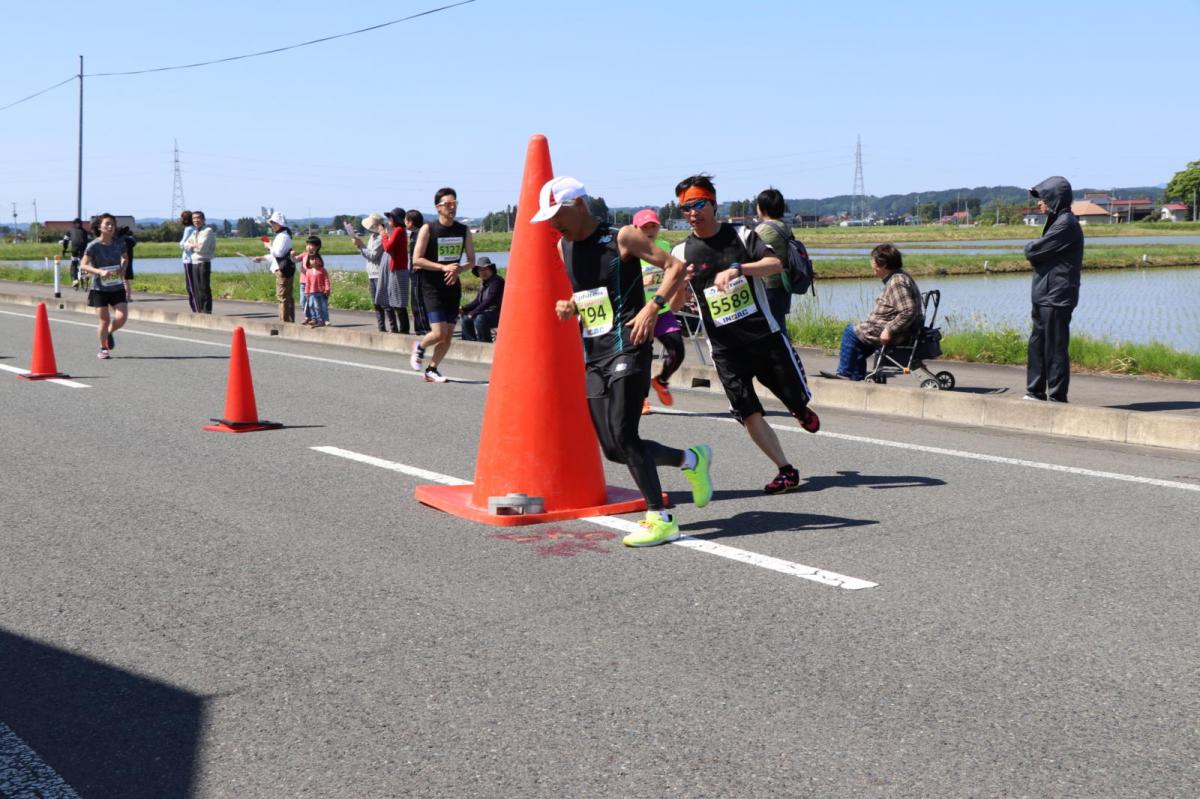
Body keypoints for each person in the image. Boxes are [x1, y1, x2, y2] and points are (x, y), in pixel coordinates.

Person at [533, 175, 713, 548]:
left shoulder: (623, 237)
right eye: (548, 216)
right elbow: (587, 295)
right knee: (614, 449)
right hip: (595, 352)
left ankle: (659, 517)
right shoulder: (563, 245)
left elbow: (674, 268)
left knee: (626, 433)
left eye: (557, 212)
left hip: (629, 345)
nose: (554, 222)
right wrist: (571, 306)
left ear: (579, 204)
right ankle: (691, 460)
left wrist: (653, 306)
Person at [672, 174, 820, 495]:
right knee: (747, 411)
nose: (692, 213)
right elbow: (675, 303)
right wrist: (678, 287)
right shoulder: (681, 252)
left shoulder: (741, 235)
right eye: (685, 208)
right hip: (724, 349)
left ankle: (799, 409)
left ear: (713, 203)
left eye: (698, 205)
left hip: (763, 337)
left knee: (794, 397)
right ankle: (785, 469)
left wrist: (739, 268)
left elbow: (774, 264)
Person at [818, 244, 921, 382]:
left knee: (851, 332)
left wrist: (889, 330)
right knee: (859, 338)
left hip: (896, 332)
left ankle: (846, 373)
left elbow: (908, 310)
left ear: (883, 264)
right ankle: (856, 377)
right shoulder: (899, 276)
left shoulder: (897, 281)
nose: (871, 264)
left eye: (873, 261)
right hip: (894, 329)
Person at [1024, 176, 1083, 403]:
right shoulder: (1056, 221)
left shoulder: (1066, 224)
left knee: (1055, 348)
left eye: (1043, 198)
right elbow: (1039, 253)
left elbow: (1033, 252)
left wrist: (1030, 247)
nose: (1039, 203)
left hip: (1057, 296)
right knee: (1037, 345)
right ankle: (1035, 392)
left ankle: (1057, 396)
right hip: (1044, 294)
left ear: (1054, 198)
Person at [410, 187, 475, 382]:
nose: (452, 207)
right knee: (438, 333)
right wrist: (442, 267)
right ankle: (420, 347)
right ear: (438, 207)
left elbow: (471, 260)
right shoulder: (428, 229)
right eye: (448, 204)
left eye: (454, 204)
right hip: (431, 287)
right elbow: (416, 260)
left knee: (447, 337)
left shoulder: (463, 230)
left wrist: (458, 269)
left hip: (452, 287)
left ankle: (431, 369)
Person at [632, 208, 686, 415]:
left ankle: (661, 381)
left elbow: (672, 274)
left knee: (677, 350)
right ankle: (642, 399)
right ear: (635, 229)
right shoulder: (628, 250)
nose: (650, 230)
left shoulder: (664, 247)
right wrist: (639, 281)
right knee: (643, 358)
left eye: (653, 225)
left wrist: (680, 281)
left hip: (661, 311)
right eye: (645, 226)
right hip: (638, 313)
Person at [79, 213, 129, 360]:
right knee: (104, 320)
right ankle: (103, 348)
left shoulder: (119, 243)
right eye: (107, 224)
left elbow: (125, 257)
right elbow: (83, 265)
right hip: (99, 289)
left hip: (117, 286)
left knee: (122, 317)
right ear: (99, 227)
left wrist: (123, 268)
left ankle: (109, 332)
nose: (110, 226)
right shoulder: (93, 245)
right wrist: (99, 271)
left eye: (112, 224)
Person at [352, 213, 403, 334]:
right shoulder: (373, 236)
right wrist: (361, 246)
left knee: (384, 302)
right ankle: (381, 327)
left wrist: (360, 246)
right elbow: (368, 254)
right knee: (376, 303)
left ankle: (393, 327)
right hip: (372, 273)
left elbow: (373, 255)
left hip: (379, 274)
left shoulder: (381, 237)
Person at [754, 187, 795, 325]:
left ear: (763, 208)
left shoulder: (763, 229)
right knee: (779, 324)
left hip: (768, 286)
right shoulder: (785, 226)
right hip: (784, 284)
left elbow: (751, 255)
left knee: (769, 327)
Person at [254, 211, 295, 322]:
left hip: (282, 270)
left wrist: (269, 246)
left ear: (278, 223)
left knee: (282, 298)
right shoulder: (284, 235)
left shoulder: (282, 236)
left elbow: (278, 253)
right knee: (287, 297)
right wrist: (261, 258)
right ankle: (289, 322)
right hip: (285, 268)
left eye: (273, 224)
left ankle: (284, 323)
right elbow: (276, 256)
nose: (271, 226)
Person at [460, 256, 504, 342]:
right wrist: (463, 308)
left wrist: (474, 312)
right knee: (466, 317)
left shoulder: (497, 282)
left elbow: (489, 301)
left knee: (480, 318)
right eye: (480, 270)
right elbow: (477, 301)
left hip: (498, 314)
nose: (483, 272)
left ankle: (485, 343)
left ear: (491, 269)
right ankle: (470, 343)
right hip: (486, 312)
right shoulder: (483, 282)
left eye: (485, 269)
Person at [383, 207, 411, 334]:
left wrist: (384, 236)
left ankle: (404, 329)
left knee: (398, 301)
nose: (389, 220)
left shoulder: (398, 230)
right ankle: (403, 329)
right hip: (400, 268)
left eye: (390, 217)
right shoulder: (401, 230)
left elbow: (388, 247)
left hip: (398, 269)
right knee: (398, 299)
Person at [183, 210, 215, 313]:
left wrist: (193, 246)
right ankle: (199, 310)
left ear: (203, 219)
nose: (196, 220)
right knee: (196, 289)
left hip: (203, 262)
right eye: (194, 218)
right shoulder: (194, 232)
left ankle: (206, 310)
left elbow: (202, 248)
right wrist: (193, 245)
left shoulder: (207, 231)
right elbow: (185, 245)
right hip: (194, 262)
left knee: (204, 288)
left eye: (198, 218)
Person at [405, 210, 430, 335]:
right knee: (417, 300)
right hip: (415, 270)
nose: (405, 223)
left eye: (406, 220)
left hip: (418, 271)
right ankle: (421, 327)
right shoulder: (415, 233)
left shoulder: (418, 234)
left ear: (410, 222)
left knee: (418, 300)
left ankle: (423, 328)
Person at [301, 236, 331, 327]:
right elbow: (308, 283)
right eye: (311, 259)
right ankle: (316, 319)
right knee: (312, 306)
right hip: (312, 292)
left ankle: (325, 319)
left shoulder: (322, 270)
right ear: (309, 261)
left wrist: (327, 288)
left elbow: (326, 279)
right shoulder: (308, 272)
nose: (313, 261)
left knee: (323, 306)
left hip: (321, 291)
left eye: (316, 259)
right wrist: (307, 292)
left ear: (319, 260)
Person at [178, 211, 198, 312]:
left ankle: (195, 308)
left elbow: (183, 244)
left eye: (182, 218)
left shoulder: (188, 229)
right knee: (196, 284)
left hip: (188, 259)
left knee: (190, 285)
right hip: (195, 260)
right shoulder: (196, 228)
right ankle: (198, 307)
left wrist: (182, 244)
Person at [66, 218, 90, 289]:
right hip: (83, 250)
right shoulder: (84, 231)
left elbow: (65, 240)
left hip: (74, 250)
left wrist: (65, 248)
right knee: (83, 263)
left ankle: (75, 280)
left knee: (74, 264)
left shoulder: (70, 230)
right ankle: (84, 276)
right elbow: (86, 241)